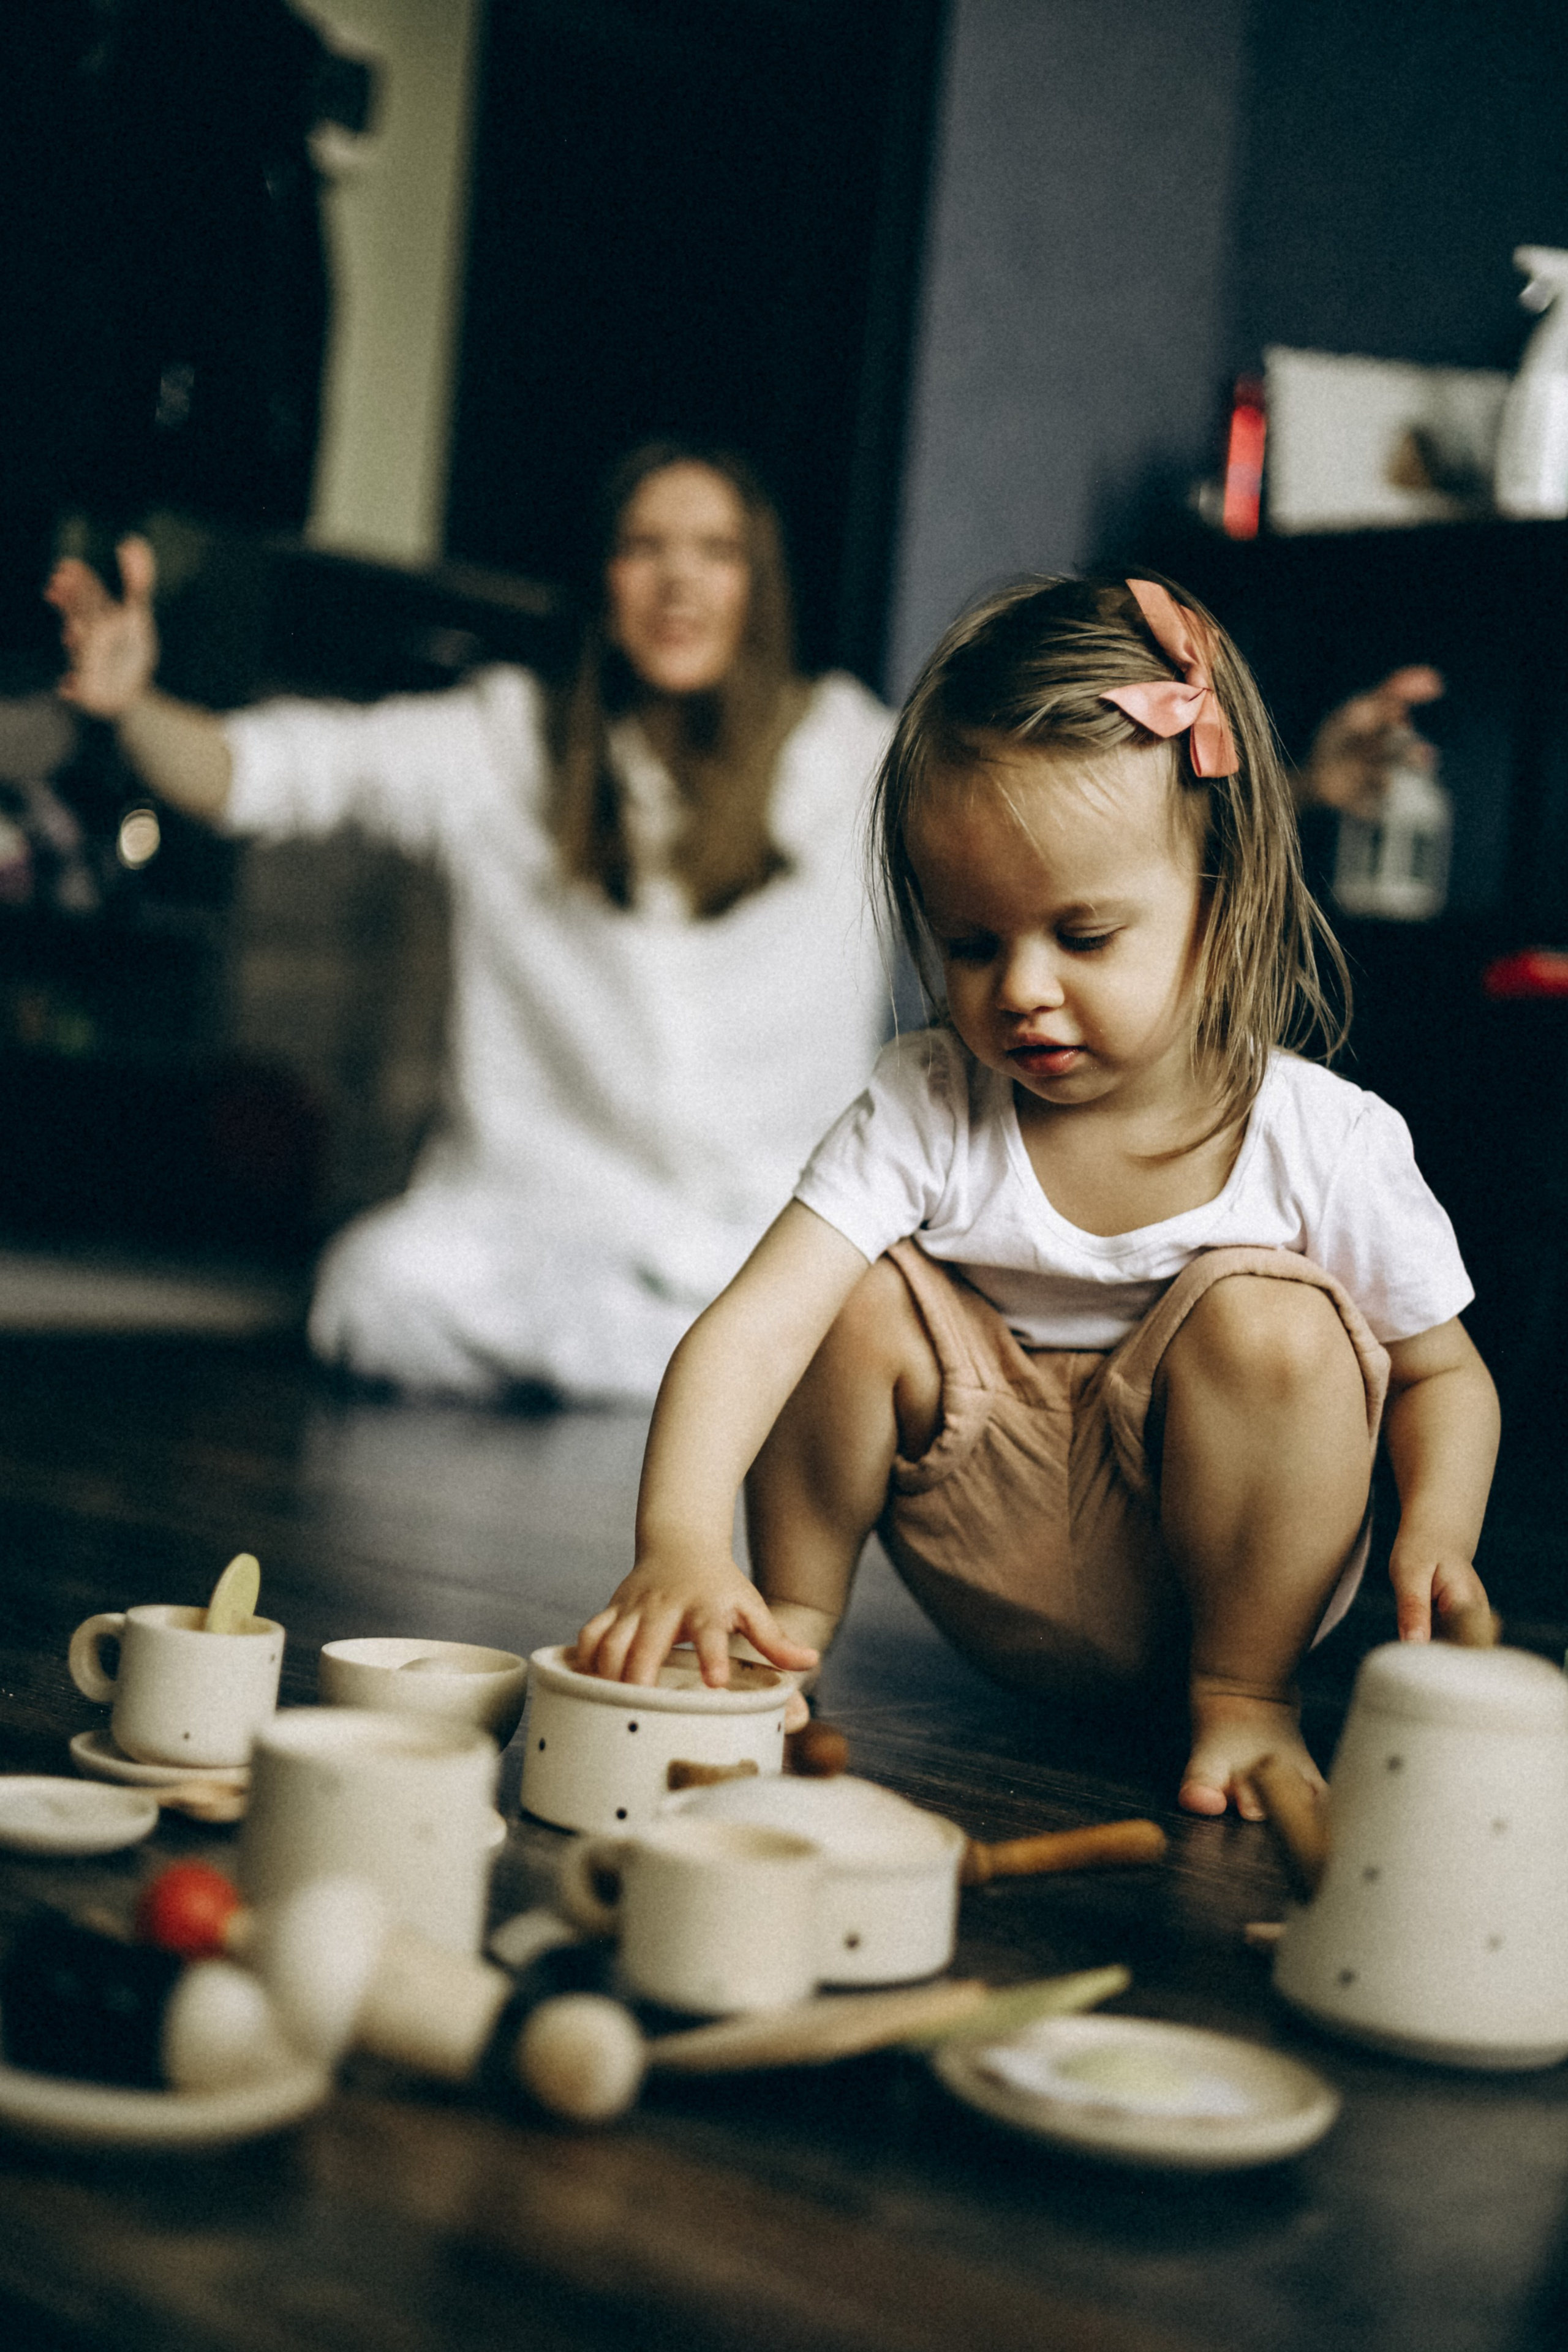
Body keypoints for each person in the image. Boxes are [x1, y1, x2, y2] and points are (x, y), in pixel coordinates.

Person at [573, 574, 1499, 1818]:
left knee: (1277, 1324)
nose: (1019, 990)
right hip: (988, 1542)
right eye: (971, 944)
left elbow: (1443, 1377)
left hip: (1205, 1583)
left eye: (1082, 937)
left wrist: (1438, 1528)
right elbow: (750, 1332)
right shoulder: (928, 1101)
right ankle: (782, 1634)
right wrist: (680, 1541)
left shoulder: (1318, 1140)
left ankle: (1245, 1701)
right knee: (842, 1293)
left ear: (1219, 901)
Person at [46, 445, 894, 1401]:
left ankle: (692, 1367)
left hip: (769, 1235)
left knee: (851, 1317)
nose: (679, 582)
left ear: (759, 587)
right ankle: (697, 1377)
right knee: (371, 1289)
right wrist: (134, 709)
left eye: (716, 552)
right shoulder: (504, 738)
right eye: (644, 548)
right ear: (603, 580)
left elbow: (1004, 810)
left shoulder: (849, 751)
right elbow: (273, 772)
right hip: (535, 1234)